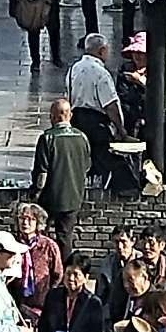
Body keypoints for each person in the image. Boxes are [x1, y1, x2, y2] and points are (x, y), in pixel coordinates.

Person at [31, 97, 91, 242]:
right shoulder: (82, 137)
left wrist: (36, 194)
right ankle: (65, 264)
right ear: (70, 115)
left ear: (52, 117)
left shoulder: (47, 138)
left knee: (41, 236)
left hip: (50, 198)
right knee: (65, 237)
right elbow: (87, 167)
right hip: (73, 198)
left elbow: (42, 174)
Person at [66, 35, 122, 178]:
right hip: (96, 123)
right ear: (101, 50)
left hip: (77, 121)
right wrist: (120, 129)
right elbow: (110, 105)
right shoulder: (101, 73)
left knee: (81, 162)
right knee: (101, 163)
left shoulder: (74, 69)